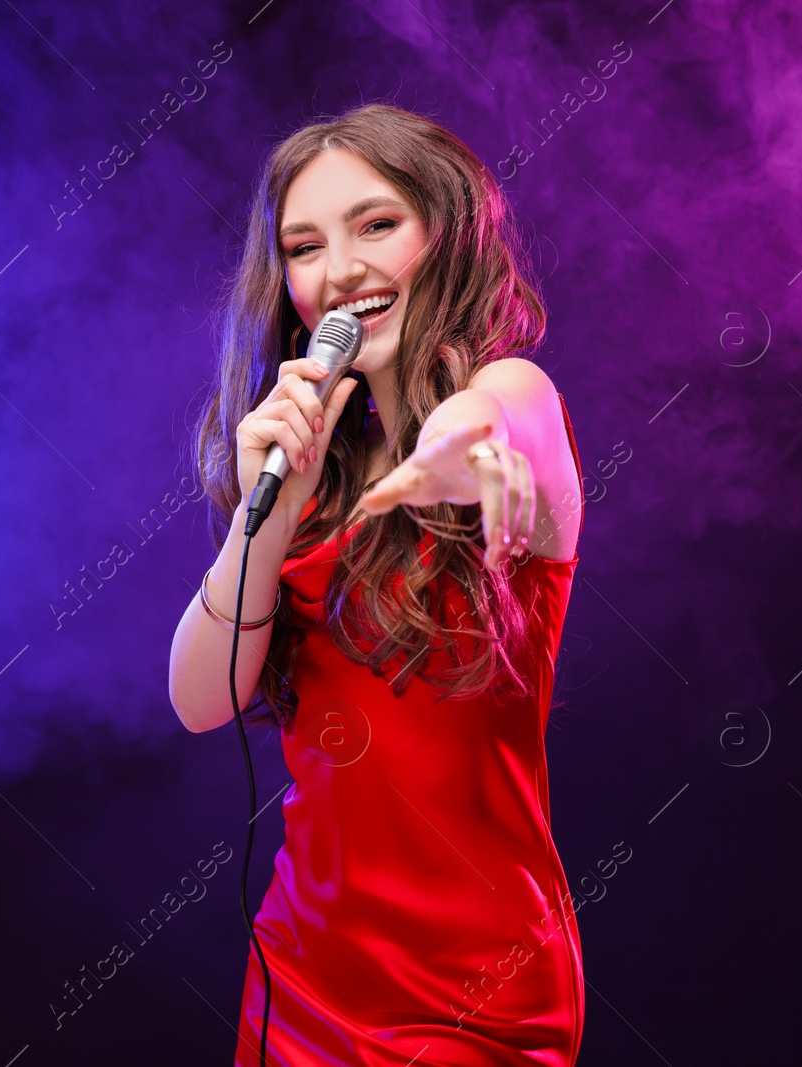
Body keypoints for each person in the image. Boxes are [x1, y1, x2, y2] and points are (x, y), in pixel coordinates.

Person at [168, 103, 587, 1066]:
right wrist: (268, 513)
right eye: (304, 246)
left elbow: (484, 421)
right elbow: (200, 698)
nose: (342, 271)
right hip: (302, 973)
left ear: (447, 234)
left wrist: (445, 453)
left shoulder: (516, 396)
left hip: (477, 994)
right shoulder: (307, 486)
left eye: (376, 225)